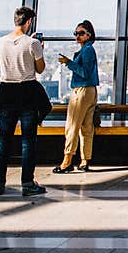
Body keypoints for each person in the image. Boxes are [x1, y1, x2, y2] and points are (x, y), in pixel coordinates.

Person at [0, 6, 51, 197]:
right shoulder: (32, 43)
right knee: (28, 140)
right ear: (29, 21)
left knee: (3, 138)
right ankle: (27, 183)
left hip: (6, 91)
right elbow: (40, 69)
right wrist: (39, 48)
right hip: (27, 93)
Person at [53, 20, 99, 173]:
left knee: (72, 126)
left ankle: (67, 161)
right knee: (86, 127)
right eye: (76, 33)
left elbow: (84, 72)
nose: (77, 36)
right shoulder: (88, 50)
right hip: (90, 91)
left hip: (81, 91)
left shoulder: (86, 51)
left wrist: (69, 63)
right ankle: (85, 160)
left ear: (89, 35)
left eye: (81, 33)